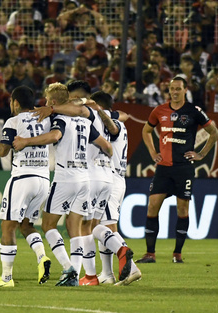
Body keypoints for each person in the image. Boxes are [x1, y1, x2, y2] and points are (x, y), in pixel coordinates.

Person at [12, 83, 112, 287]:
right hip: (85, 179)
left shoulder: (58, 118)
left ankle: (69, 269)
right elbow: (108, 147)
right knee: (73, 227)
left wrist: (26, 141)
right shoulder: (85, 122)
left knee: (48, 224)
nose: (46, 104)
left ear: (54, 102)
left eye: (48, 101)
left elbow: (55, 136)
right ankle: (73, 276)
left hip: (66, 177)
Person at [136, 76, 218, 264]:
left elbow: (214, 132)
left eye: (178, 89)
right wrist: (152, 152)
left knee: (183, 209)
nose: (174, 92)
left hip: (184, 169)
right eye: (171, 89)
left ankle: (177, 254)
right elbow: (146, 130)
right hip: (163, 169)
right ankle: (150, 254)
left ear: (185, 90)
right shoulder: (159, 111)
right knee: (152, 206)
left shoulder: (194, 111)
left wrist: (201, 154)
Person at [0, 86, 52, 288]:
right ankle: (42, 257)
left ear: (16, 103)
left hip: (22, 178)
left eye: (11, 102)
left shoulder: (14, 121)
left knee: (8, 226)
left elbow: (3, 151)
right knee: (26, 225)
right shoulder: (46, 119)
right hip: (43, 179)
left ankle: (6, 278)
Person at [90, 91, 142, 286]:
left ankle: (132, 269)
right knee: (104, 226)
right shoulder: (117, 121)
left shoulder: (112, 124)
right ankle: (107, 273)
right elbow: (122, 114)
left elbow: (116, 120)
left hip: (109, 180)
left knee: (103, 228)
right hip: (116, 179)